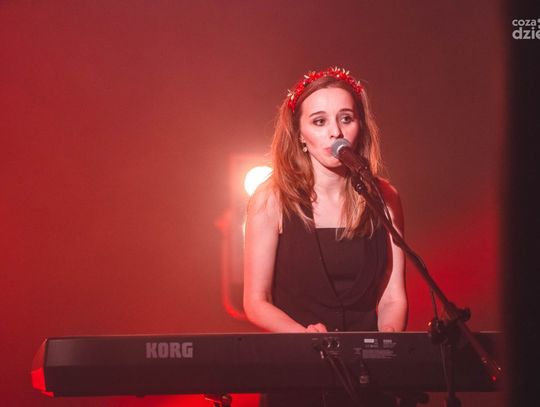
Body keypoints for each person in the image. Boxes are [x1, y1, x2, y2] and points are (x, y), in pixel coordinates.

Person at [243, 67, 408, 406]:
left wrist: (386, 345)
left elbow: (393, 296)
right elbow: (256, 301)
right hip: (296, 377)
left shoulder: (384, 198)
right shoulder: (271, 199)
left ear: (360, 127)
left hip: (369, 381)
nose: (335, 131)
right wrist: (303, 337)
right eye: (319, 121)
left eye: (346, 118)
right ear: (300, 135)